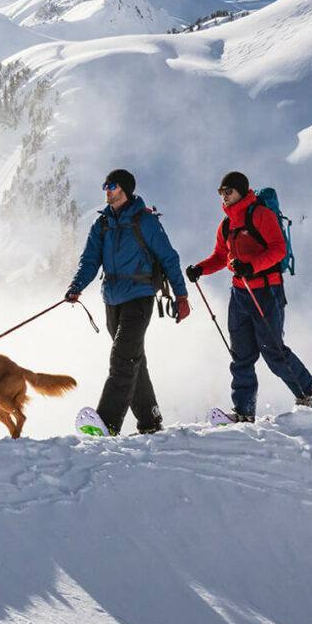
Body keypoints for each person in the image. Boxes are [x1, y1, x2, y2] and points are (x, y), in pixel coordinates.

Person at [185, 171, 312, 421]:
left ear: (241, 191)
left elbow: (279, 250)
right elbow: (220, 256)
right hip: (240, 293)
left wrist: (251, 266)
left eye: (228, 191)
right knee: (241, 355)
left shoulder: (261, 214)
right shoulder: (227, 224)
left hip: (266, 290)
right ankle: (243, 412)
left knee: (272, 350)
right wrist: (200, 269)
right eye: (221, 192)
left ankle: (309, 390)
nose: (224, 196)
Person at [65, 168, 190, 436]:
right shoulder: (102, 224)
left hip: (139, 297)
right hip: (112, 299)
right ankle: (150, 419)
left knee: (122, 358)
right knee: (133, 359)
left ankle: (107, 423)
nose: (107, 190)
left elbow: (169, 258)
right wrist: (76, 286)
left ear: (125, 189)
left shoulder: (145, 222)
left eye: (111, 185)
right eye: (105, 186)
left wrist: (181, 296)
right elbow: (89, 261)